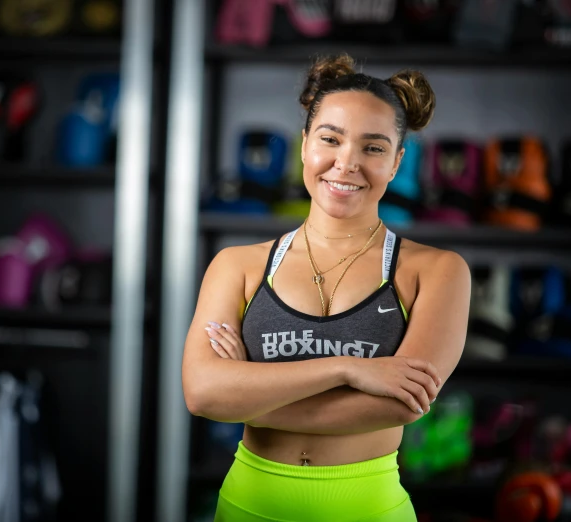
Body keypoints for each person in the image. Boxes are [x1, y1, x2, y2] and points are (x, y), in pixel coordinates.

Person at [182, 53, 471, 522]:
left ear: (397, 162)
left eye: (373, 148)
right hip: (248, 505)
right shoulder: (236, 266)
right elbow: (201, 394)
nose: (346, 163)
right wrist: (346, 370)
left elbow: (401, 405)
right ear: (304, 146)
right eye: (330, 139)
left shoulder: (437, 271)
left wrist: (247, 397)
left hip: (368, 508)